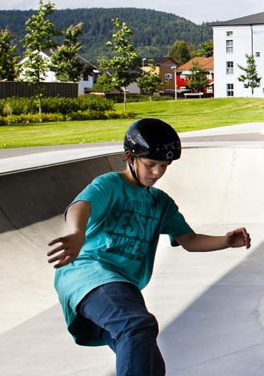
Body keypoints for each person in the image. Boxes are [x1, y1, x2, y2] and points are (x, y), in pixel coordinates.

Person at [46, 118, 252, 376]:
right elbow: (82, 205)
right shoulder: (110, 185)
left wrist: (225, 241)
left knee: (150, 363)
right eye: (150, 164)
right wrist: (76, 232)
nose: (156, 173)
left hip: (124, 286)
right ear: (129, 157)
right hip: (89, 274)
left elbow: (189, 240)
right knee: (135, 325)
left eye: (164, 166)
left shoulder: (160, 203)